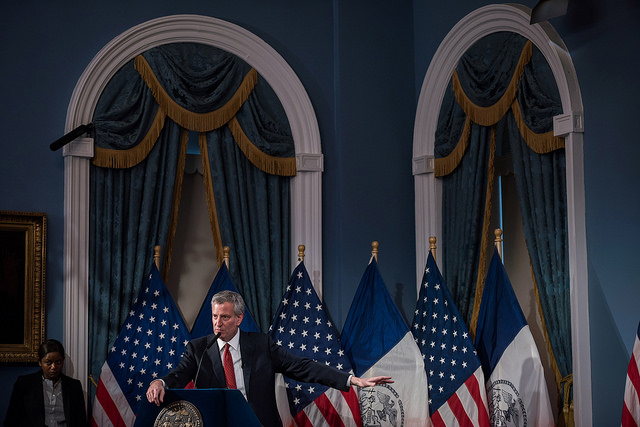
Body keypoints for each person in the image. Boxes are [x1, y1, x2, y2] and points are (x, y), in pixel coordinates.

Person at [146, 290, 392, 426]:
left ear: (239, 319)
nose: (217, 323)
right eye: (214, 317)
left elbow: (302, 367)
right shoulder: (198, 349)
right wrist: (160, 383)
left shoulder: (261, 345)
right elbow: (178, 375)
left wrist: (350, 380)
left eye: (224, 317)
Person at [4, 339, 87, 427]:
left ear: (63, 361)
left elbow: (81, 422)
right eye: (48, 363)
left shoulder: (74, 386)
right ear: (40, 362)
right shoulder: (25, 384)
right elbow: (11, 420)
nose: (53, 367)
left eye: (58, 362)